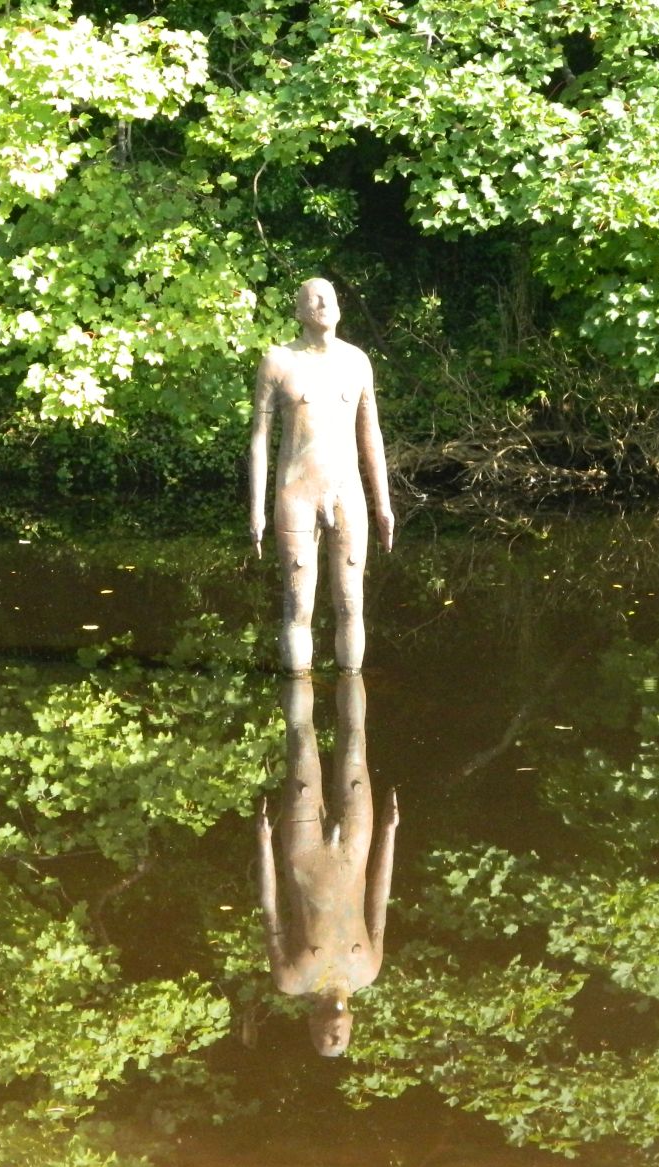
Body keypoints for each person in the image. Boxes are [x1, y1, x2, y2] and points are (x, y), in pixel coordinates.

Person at [247, 278, 395, 674]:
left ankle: (351, 694)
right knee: (299, 606)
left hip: (348, 496)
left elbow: (371, 436)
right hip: (296, 496)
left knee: (351, 602)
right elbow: (259, 438)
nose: (323, 300)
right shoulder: (278, 362)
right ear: (299, 312)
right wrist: (257, 509)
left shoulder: (356, 362)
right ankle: (298, 695)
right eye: (312, 297)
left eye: (328, 295)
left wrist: (383, 503)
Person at [257, 672, 398, 1056]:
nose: (333, 1037)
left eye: (325, 1040)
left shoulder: (292, 978)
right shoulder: (367, 971)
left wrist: (264, 842)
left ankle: (297, 664)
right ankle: (350, 653)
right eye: (341, 1040)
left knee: (302, 743)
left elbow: (270, 909)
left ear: (310, 1026)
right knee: (355, 742)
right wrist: (389, 832)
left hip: (303, 856)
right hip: (354, 849)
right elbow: (379, 899)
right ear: (352, 1028)